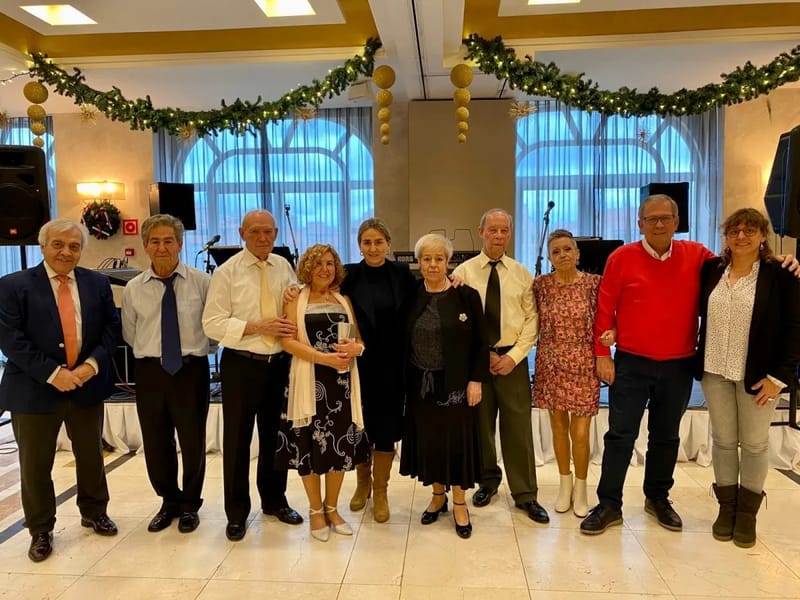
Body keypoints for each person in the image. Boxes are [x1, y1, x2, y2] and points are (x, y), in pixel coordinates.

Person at [582, 194, 798, 536]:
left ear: (677, 222)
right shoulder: (621, 258)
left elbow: (740, 262)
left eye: (665, 218)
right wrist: (602, 354)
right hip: (632, 363)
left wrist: (781, 260)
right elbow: (604, 307)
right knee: (620, 435)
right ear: (639, 224)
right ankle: (609, 504)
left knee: (666, 436)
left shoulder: (699, 257)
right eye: (651, 219)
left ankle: (657, 498)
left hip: (678, 365)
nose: (658, 224)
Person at [0, 219, 119, 562]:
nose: (66, 252)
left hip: (85, 384)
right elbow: (10, 339)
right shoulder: (13, 285)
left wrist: (89, 367)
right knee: (35, 465)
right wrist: (54, 374)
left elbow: (111, 329)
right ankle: (40, 529)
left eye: (74, 246)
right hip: (33, 390)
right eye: (59, 245)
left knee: (91, 455)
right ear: (43, 246)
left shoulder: (97, 283)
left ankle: (95, 511)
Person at [695, 208, 800, 548]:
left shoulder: (780, 273)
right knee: (723, 441)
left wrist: (779, 377)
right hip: (714, 370)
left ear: (762, 235)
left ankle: (747, 515)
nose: (741, 236)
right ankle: (727, 509)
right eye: (734, 230)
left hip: (759, 376)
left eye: (749, 230)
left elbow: (794, 329)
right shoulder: (711, 270)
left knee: (754, 445)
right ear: (725, 235)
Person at [202, 209, 302, 542]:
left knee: (276, 439)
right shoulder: (227, 272)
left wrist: (294, 298)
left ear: (276, 234)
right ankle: (236, 513)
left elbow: (293, 309)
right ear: (242, 233)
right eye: (255, 232)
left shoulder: (284, 267)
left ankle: (274, 501)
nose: (263, 238)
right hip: (242, 365)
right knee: (237, 442)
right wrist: (258, 326)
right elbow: (212, 324)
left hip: (278, 366)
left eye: (269, 232)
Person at [452, 208, 549, 524]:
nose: (497, 236)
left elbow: (532, 319)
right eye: (492, 230)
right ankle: (487, 481)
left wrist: (514, 356)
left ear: (510, 234)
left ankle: (525, 494)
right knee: (480, 425)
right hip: (477, 362)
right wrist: (484, 356)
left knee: (518, 428)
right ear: (481, 232)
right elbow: (458, 321)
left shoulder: (522, 274)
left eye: (503, 230)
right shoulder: (463, 273)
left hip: (513, 362)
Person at [121, 214, 211, 534]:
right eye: (155, 241)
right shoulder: (133, 288)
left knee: (192, 440)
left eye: (168, 240)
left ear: (180, 244)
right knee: (156, 441)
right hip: (150, 371)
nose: (162, 247)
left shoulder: (202, 282)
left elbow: (212, 329)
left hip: (190, 371)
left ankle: (190, 504)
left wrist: (197, 351)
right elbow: (130, 333)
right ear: (145, 246)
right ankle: (168, 501)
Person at [277, 243, 371, 542]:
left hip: (341, 385)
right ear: (307, 267)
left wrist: (357, 348)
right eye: (318, 263)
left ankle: (332, 508)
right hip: (308, 382)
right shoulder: (295, 299)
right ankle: (316, 510)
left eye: (330, 263)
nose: (324, 268)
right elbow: (287, 343)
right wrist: (324, 359)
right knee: (308, 448)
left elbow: (356, 336)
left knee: (339, 448)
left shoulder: (343, 299)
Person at [400, 233, 488, 539]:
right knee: (432, 442)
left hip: (457, 385)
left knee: (457, 442)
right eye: (427, 258)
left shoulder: (466, 296)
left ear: (449, 262)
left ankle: (460, 503)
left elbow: (481, 342)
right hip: (421, 385)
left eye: (439, 258)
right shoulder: (411, 295)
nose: (433, 264)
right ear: (419, 262)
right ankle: (438, 496)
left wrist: (476, 380)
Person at [340, 218, 417, 522]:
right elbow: (320, 292)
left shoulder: (401, 274)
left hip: (393, 365)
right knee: (360, 427)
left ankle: (381, 489)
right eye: (366, 242)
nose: (372, 248)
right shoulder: (348, 275)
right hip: (358, 364)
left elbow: (424, 301)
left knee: (386, 429)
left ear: (388, 244)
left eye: (378, 242)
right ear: (359, 245)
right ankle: (362, 485)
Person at [532, 229, 601, 518]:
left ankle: (582, 488)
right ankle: (564, 484)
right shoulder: (540, 285)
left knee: (581, 432)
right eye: (556, 251)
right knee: (558, 427)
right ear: (549, 257)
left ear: (577, 253)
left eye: (567, 249)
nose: (562, 255)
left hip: (583, 362)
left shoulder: (594, 284)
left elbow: (607, 319)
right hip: (551, 362)